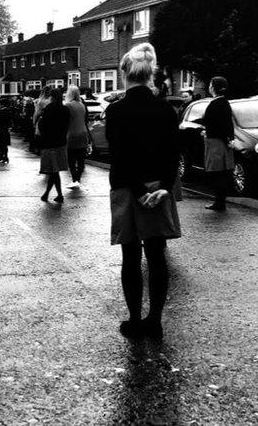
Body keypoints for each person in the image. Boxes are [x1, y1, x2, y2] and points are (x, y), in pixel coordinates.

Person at [105, 43, 180, 339]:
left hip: (127, 188)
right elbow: (173, 154)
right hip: (158, 188)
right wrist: (163, 188)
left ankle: (134, 320)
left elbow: (120, 155)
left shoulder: (116, 110)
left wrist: (137, 191)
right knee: (157, 254)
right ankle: (156, 320)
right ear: (150, 75)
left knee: (131, 256)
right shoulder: (165, 110)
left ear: (125, 73)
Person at [201, 76, 234, 211]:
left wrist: (207, 132)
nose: (209, 87)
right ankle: (220, 202)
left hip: (216, 143)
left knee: (218, 173)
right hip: (220, 142)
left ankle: (219, 203)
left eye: (210, 84)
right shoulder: (223, 102)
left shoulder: (217, 104)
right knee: (221, 173)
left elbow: (220, 125)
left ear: (214, 87)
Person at [37, 87, 70, 202]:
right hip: (61, 143)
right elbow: (67, 125)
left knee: (53, 171)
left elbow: (42, 126)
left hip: (49, 143)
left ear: (52, 97)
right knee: (54, 171)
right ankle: (47, 194)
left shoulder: (49, 109)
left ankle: (59, 195)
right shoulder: (65, 110)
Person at [65, 85, 92, 189]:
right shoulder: (82, 105)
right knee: (81, 159)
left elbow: (66, 122)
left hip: (72, 134)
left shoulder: (68, 105)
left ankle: (74, 180)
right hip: (83, 133)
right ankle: (78, 179)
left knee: (71, 160)